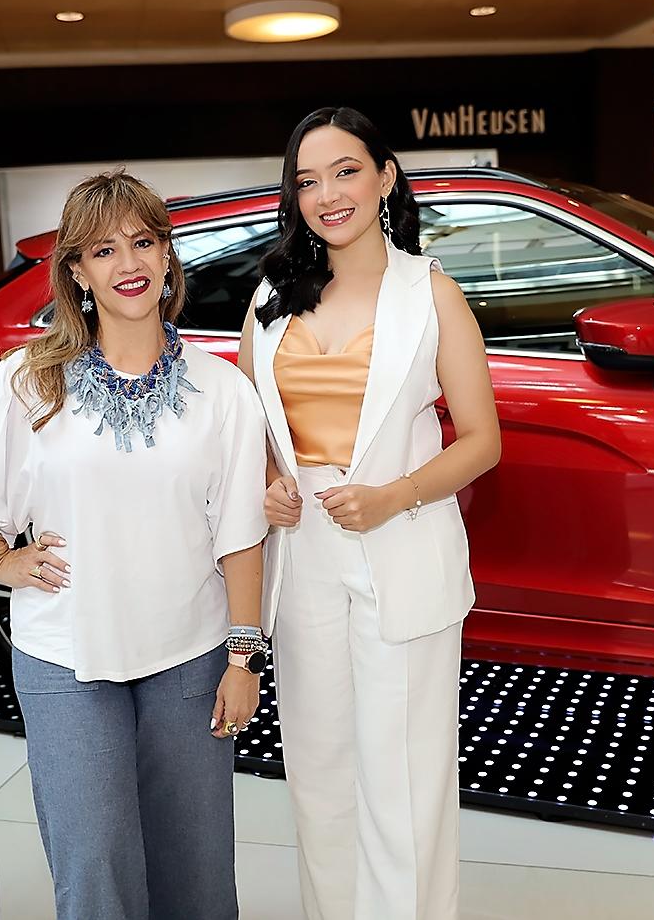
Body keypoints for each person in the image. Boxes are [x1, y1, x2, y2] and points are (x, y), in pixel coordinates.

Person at [0, 171, 269, 920]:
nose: (128, 263)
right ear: (75, 271)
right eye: (103, 250)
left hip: (191, 655)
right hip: (65, 656)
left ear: (168, 256)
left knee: (197, 872)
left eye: (143, 241)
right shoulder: (32, 378)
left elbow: (240, 531)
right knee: (94, 869)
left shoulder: (223, 389)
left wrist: (243, 657)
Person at [238, 107, 501, 920]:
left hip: (404, 544)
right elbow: (253, 433)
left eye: (346, 170)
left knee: (407, 779)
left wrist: (392, 495)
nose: (328, 194)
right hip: (304, 556)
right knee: (320, 773)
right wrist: (270, 483)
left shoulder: (432, 293)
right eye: (308, 180)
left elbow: (483, 440)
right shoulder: (271, 297)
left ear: (385, 176)